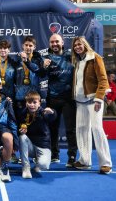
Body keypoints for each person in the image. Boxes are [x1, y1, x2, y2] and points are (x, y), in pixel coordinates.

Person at [71, 36, 112, 175]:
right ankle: (84, 161)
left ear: (85, 45)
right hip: (80, 101)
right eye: (75, 45)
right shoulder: (77, 61)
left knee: (97, 129)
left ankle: (106, 163)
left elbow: (103, 79)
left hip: (94, 100)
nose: (77, 47)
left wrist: (99, 99)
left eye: (79, 44)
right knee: (81, 130)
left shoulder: (95, 57)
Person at [43, 33, 77, 167]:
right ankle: (54, 155)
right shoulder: (45, 58)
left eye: (57, 41)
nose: (54, 44)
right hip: (52, 98)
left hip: (69, 98)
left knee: (70, 129)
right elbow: (39, 74)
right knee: (52, 128)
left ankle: (72, 156)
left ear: (62, 42)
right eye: (52, 42)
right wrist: (43, 66)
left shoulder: (72, 56)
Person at [17, 91, 56, 179]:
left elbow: (52, 117)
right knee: (22, 137)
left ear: (39, 103)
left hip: (43, 146)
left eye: (34, 102)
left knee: (44, 165)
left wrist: (52, 112)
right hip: (30, 146)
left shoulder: (44, 113)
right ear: (26, 103)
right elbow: (19, 128)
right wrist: (21, 131)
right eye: (29, 102)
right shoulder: (23, 114)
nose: (32, 105)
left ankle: (38, 164)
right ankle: (26, 168)